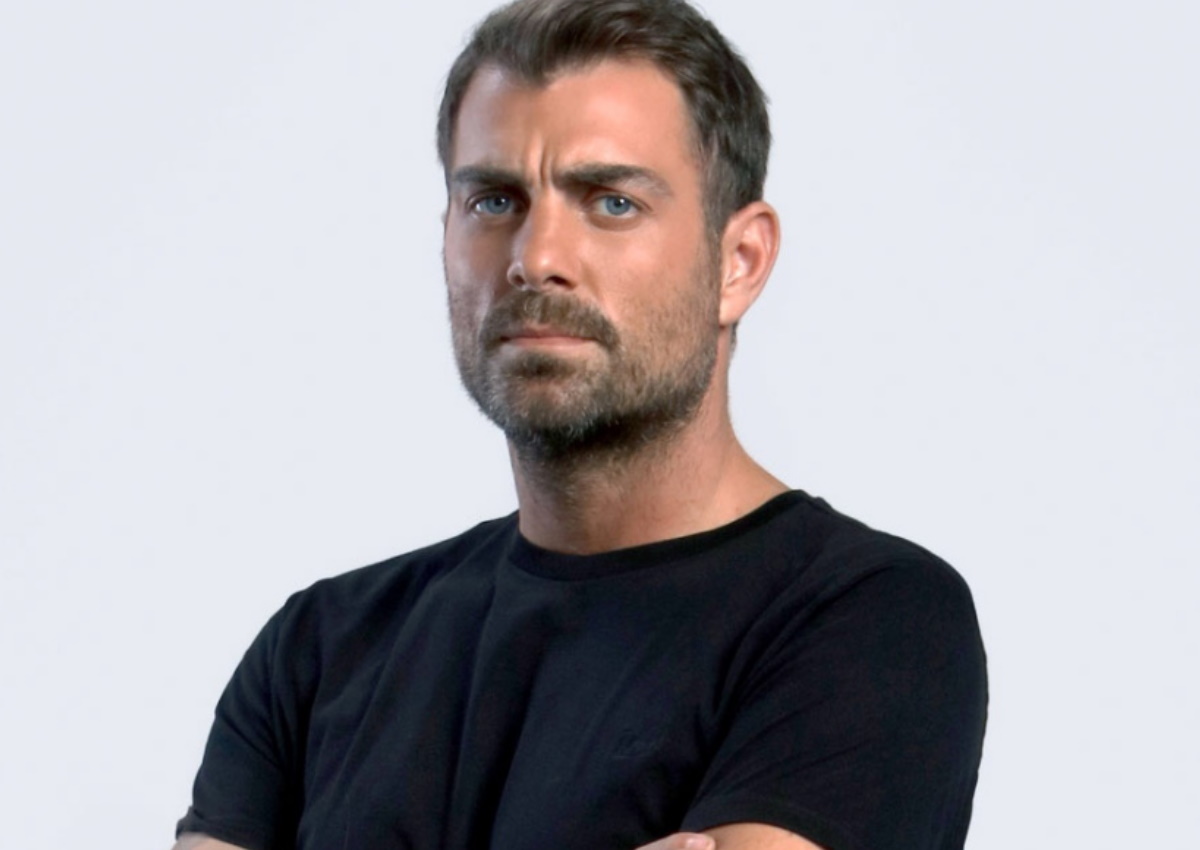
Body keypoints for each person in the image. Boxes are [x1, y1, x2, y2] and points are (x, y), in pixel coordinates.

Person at [173, 0, 987, 848]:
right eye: (494, 201)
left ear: (738, 263)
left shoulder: (871, 621)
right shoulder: (316, 651)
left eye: (611, 202)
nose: (536, 259)